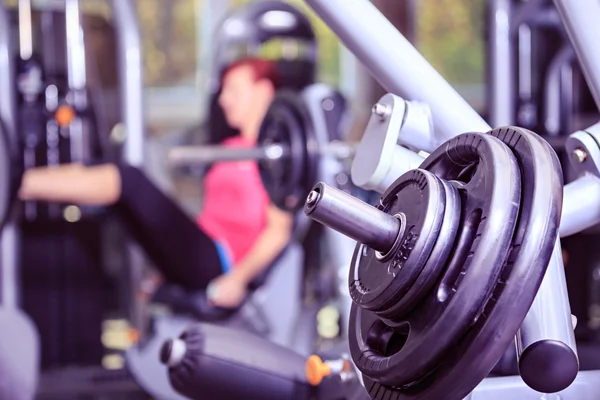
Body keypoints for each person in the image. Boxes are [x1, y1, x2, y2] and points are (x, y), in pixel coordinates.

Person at [18, 57, 294, 309]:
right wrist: (167, 265)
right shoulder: (229, 147)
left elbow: (278, 232)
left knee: (128, 180)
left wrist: (238, 279)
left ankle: (17, 183)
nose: (223, 99)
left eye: (233, 90)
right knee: (114, 189)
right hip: (201, 249)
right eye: (223, 91)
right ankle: (19, 181)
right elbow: (211, 217)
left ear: (263, 91)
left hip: (221, 262)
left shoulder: (278, 155)